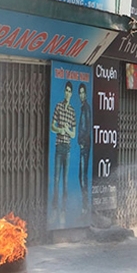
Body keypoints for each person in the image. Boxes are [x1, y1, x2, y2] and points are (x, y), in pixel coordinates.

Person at [51, 81, 76, 212]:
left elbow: (73, 134)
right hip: (59, 146)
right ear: (64, 92)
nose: (67, 93)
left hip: (67, 149)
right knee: (56, 178)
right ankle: (55, 205)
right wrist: (59, 129)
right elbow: (52, 126)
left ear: (71, 94)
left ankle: (64, 206)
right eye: (66, 90)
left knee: (65, 180)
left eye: (69, 91)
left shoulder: (72, 112)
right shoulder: (58, 107)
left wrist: (67, 129)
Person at [77, 83, 91, 212]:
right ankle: (84, 205)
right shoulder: (83, 108)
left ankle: (85, 206)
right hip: (83, 145)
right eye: (80, 93)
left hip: (84, 146)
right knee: (82, 176)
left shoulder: (86, 108)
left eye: (83, 93)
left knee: (82, 176)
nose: (81, 95)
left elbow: (86, 128)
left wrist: (82, 141)